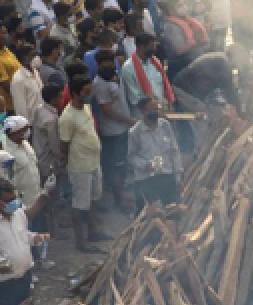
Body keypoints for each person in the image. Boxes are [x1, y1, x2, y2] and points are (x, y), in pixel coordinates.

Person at [59, 75, 107, 251]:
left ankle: (93, 231)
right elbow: (64, 145)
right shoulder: (67, 117)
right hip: (80, 167)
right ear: (75, 93)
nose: (89, 95)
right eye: (86, 92)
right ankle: (80, 241)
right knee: (79, 204)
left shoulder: (86, 108)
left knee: (94, 198)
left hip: (94, 162)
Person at [93, 49, 136, 211]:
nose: (108, 68)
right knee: (115, 166)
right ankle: (120, 201)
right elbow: (107, 110)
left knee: (122, 164)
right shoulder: (99, 84)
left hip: (122, 128)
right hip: (112, 131)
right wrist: (128, 120)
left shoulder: (115, 76)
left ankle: (122, 196)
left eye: (111, 64)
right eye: (105, 65)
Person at [127, 97, 182, 207]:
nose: (156, 112)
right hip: (148, 179)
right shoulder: (135, 132)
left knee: (173, 209)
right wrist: (145, 165)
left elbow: (174, 151)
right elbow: (131, 157)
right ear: (142, 111)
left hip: (167, 174)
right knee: (155, 212)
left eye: (157, 109)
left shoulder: (165, 125)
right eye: (152, 110)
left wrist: (178, 175)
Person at [3, 114, 46, 214]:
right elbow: (8, 179)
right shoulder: (7, 153)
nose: (27, 132)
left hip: (37, 197)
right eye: (24, 130)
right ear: (15, 132)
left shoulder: (25, 144)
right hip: (23, 204)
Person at [120, 32, 173, 112]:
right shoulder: (128, 68)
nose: (154, 50)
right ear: (140, 47)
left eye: (154, 47)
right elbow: (134, 98)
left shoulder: (155, 62)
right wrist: (153, 107)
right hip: (144, 114)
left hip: (162, 109)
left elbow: (163, 85)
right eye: (151, 47)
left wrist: (167, 104)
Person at [32, 83, 64, 185]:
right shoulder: (50, 119)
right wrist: (61, 161)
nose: (62, 98)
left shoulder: (40, 110)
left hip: (39, 156)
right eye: (60, 96)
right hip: (49, 162)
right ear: (53, 100)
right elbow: (55, 145)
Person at [10, 43, 44, 121]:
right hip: (31, 123)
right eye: (33, 55)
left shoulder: (35, 71)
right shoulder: (18, 80)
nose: (36, 58)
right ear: (25, 59)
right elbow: (20, 108)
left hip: (41, 119)